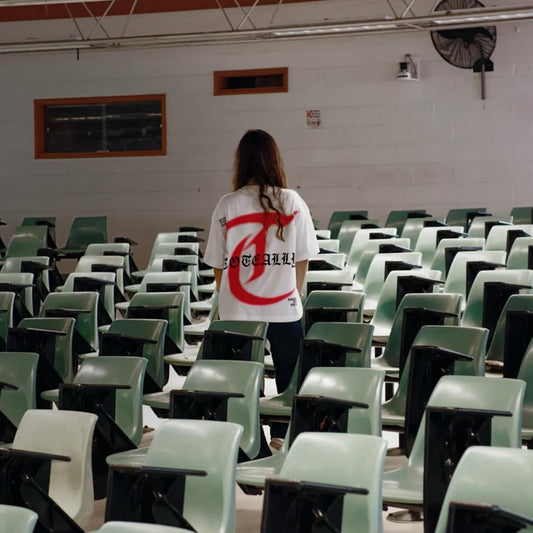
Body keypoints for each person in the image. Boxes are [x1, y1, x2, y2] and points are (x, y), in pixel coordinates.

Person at [204, 129, 319, 444]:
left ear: (241, 161)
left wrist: (227, 300)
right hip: (284, 308)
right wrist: (291, 292)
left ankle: (244, 439)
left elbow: (217, 262)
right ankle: (282, 436)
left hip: (238, 311)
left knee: (242, 382)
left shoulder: (227, 205)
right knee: (289, 381)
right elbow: (303, 258)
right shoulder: (292, 200)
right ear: (274, 159)